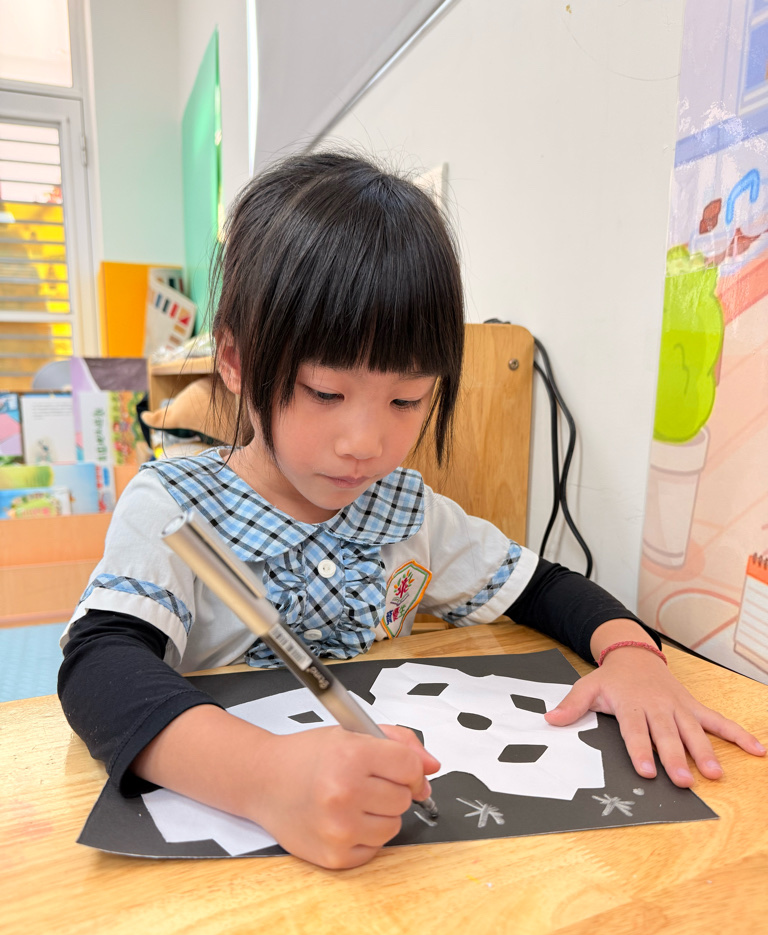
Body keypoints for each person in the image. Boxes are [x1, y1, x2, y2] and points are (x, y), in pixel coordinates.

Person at [58, 152, 765, 870]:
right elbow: (98, 670)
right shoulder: (175, 507)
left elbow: (544, 587)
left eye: (406, 400)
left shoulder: (406, 510)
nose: (365, 444)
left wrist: (633, 655)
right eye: (325, 393)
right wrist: (264, 777)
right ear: (236, 362)